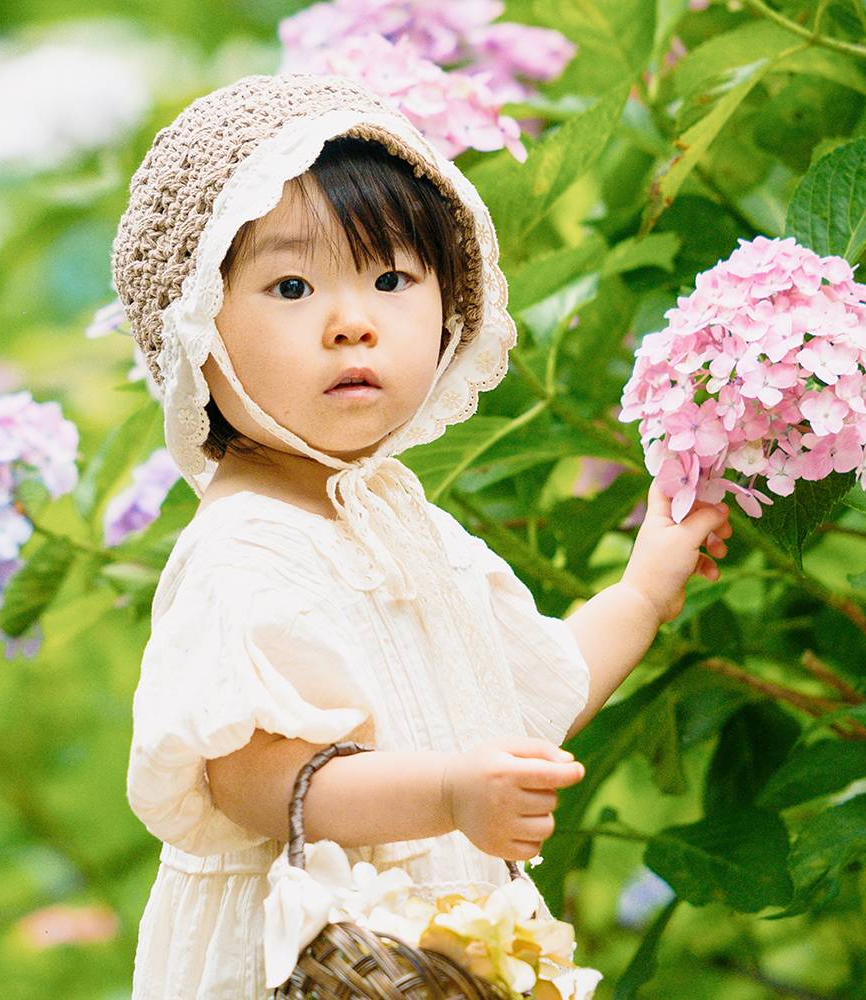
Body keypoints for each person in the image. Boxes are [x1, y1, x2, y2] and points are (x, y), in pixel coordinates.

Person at [112, 73, 732, 999]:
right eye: (291, 285)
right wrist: (448, 795)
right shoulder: (244, 549)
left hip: (433, 950)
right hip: (314, 956)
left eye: (393, 278)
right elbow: (254, 782)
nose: (353, 322)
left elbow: (521, 704)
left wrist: (642, 593)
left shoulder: (398, 517)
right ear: (198, 327)